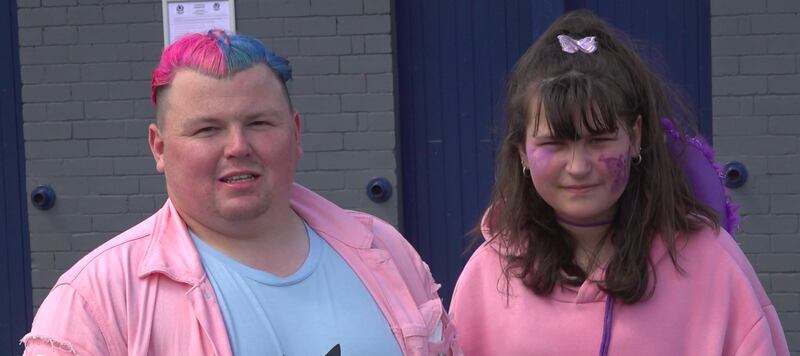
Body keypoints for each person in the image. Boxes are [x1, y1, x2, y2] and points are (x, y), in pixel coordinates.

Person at [22, 30, 456, 356]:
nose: (237, 147)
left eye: (260, 123)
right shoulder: (96, 300)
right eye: (207, 129)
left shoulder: (384, 250)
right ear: (159, 147)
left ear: (296, 132)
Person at [449, 10, 789, 356]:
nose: (578, 167)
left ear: (636, 136)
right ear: (521, 151)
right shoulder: (486, 277)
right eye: (554, 144)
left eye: (598, 140)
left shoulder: (713, 265)